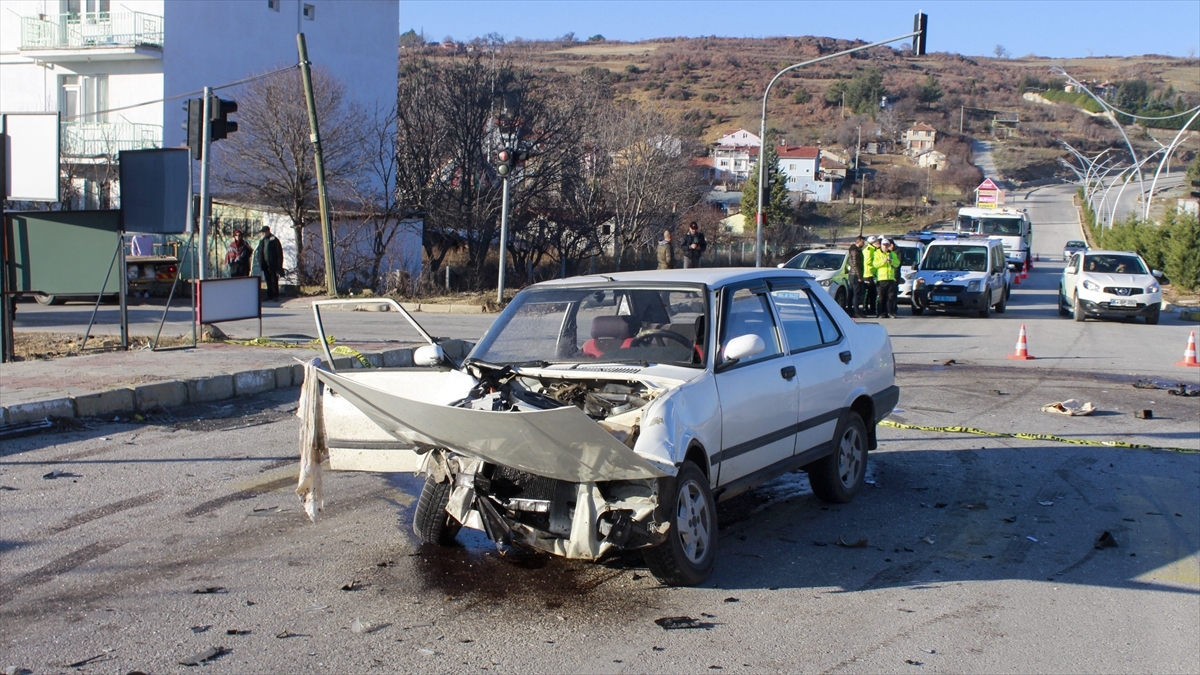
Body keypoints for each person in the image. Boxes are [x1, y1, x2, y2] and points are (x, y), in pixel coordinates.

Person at [255, 226, 284, 301]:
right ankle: (269, 294)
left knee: (274, 279)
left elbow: (279, 253)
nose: (263, 233)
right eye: (262, 232)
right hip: (265, 263)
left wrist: (279, 265)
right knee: (268, 280)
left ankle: (275, 295)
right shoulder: (262, 240)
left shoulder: (274, 240)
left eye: (264, 232)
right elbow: (259, 252)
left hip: (273, 263)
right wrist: (260, 261)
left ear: (268, 231)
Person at [878, 239, 901, 318]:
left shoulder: (892, 254)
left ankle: (890, 312)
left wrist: (891, 261)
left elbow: (897, 263)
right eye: (884, 245)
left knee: (890, 297)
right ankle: (881, 313)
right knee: (881, 297)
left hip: (891, 278)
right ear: (881, 245)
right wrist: (883, 262)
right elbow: (874, 264)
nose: (885, 247)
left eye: (887, 245)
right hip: (881, 279)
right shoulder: (877, 253)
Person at [845, 235, 865, 318]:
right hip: (855, 275)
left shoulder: (855, 250)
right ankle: (856, 311)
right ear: (859, 241)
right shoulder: (855, 251)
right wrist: (859, 276)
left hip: (853, 274)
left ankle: (850, 310)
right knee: (856, 294)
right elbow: (855, 264)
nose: (863, 244)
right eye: (863, 242)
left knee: (852, 293)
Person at [860, 236, 879, 316]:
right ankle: (865, 308)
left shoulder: (874, 250)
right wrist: (876, 265)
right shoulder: (868, 250)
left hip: (873, 274)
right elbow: (868, 262)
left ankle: (872, 309)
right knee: (867, 293)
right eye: (876, 242)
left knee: (873, 293)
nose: (878, 243)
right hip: (868, 274)